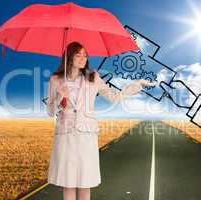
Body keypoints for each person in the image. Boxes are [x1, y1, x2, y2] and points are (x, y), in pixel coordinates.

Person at [46, 41, 156, 200]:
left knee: (85, 183)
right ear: (69, 57)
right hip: (66, 135)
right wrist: (59, 96)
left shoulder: (93, 77)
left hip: (87, 135)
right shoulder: (56, 80)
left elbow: (114, 97)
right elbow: (50, 111)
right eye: (78, 55)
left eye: (85, 55)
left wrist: (136, 85)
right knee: (68, 183)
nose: (83, 58)